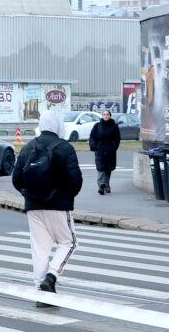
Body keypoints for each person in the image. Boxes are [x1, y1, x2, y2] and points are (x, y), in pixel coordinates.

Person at [12, 109, 84, 308]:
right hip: (59, 205)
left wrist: (30, 195)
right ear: (58, 125)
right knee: (69, 242)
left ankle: (41, 293)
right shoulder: (64, 148)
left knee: (39, 249)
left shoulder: (28, 147)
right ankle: (51, 277)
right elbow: (75, 179)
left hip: (33, 207)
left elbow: (16, 179)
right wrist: (66, 196)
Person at [89, 108, 123, 195]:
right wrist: (94, 146)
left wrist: (113, 148)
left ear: (110, 116)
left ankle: (107, 186)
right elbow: (92, 137)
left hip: (110, 151)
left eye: (107, 114)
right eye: (104, 114)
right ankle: (101, 185)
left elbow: (117, 139)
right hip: (100, 150)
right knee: (101, 169)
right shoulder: (97, 126)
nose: (105, 116)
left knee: (108, 169)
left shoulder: (114, 126)